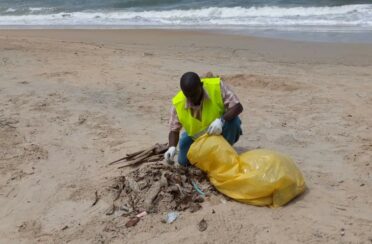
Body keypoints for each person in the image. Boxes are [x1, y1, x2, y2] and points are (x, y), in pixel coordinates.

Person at [164, 71, 243, 166]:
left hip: (219, 131)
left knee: (234, 122)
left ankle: (225, 151)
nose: (192, 99)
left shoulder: (216, 87)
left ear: (201, 85)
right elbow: (174, 130)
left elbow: (237, 106)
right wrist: (171, 147)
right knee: (183, 161)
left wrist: (221, 120)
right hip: (197, 137)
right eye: (188, 96)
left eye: (194, 94)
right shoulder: (178, 103)